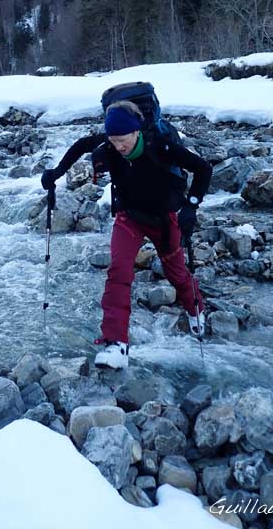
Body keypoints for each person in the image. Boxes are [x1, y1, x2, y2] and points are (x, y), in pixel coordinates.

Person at [41, 100, 213, 370]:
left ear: (136, 132)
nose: (118, 146)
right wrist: (57, 173)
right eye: (113, 140)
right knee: (119, 271)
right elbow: (81, 146)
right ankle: (116, 344)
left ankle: (195, 309)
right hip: (129, 217)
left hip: (162, 219)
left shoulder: (162, 146)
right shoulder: (109, 145)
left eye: (123, 140)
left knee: (177, 274)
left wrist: (191, 206)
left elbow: (204, 169)